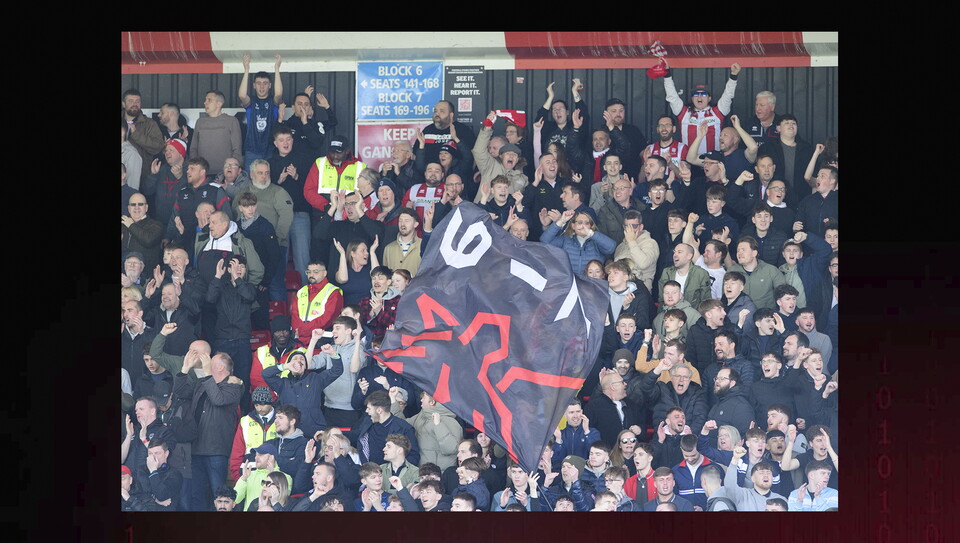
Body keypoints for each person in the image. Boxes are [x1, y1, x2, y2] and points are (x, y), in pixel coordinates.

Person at [172, 350, 243, 510]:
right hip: (195, 448)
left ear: (219, 367)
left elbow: (218, 399)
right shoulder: (202, 384)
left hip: (215, 450)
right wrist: (184, 369)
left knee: (218, 493)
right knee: (196, 494)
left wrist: (206, 374)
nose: (207, 363)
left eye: (211, 362)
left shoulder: (233, 387)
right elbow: (180, 393)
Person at [204, 255, 256, 408]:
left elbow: (248, 296)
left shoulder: (248, 286)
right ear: (227, 269)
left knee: (243, 380)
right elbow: (209, 299)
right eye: (234, 266)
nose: (238, 269)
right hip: (223, 339)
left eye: (241, 266)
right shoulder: (221, 286)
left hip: (242, 340)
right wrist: (218, 276)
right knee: (220, 378)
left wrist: (237, 279)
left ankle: (245, 415)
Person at [262, 346, 343, 439]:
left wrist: (333, 354)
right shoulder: (283, 383)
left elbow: (337, 371)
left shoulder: (315, 379)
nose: (298, 360)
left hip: (315, 431)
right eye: (294, 359)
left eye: (302, 359)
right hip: (290, 432)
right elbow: (266, 374)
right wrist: (285, 366)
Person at [662, 61, 742, 154]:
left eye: (703, 94)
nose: (699, 97)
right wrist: (666, 73)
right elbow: (672, 96)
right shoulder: (684, 113)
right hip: (689, 162)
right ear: (692, 98)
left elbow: (728, 95)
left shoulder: (717, 112)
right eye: (696, 94)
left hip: (712, 162)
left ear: (709, 98)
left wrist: (733, 76)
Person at [305, 317, 363, 428]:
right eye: (333, 329)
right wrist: (313, 340)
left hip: (349, 409)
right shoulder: (331, 348)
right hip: (328, 406)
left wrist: (357, 342)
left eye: (337, 328)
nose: (333, 332)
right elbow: (308, 365)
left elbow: (354, 369)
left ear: (348, 331)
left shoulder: (358, 348)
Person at [390, 389, 461, 471]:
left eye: (424, 397)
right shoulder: (421, 416)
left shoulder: (451, 422)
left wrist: (438, 425)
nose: (421, 400)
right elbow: (401, 424)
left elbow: (451, 449)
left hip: (439, 477)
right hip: (422, 474)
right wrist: (393, 400)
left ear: (432, 402)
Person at [349, 390, 420, 466]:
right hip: (369, 472)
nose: (367, 411)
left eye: (369, 408)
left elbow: (413, 457)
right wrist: (338, 434)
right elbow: (358, 434)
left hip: (392, 475)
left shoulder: (404, 428)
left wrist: (396, 471)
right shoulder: (368, 421)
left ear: (379, 410)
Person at [238, 54, 284, 170]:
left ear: (270, 86)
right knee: (250, 181)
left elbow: (279, 94)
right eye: (258, 83)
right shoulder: (251, 102)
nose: (262, 87)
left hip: (270, 149)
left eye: (265, 83)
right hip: (252, 150)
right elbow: (242, 95)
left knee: (269, 179)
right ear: (254, 85)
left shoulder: (273, 102)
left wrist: (277, 69)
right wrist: (246, 70)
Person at [303, 135, 368, 214]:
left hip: (350, 214)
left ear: (347, 151)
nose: (335, 156)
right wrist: (326, 206)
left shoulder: (360, 166)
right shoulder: (320, 163)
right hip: (323, 212)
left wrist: (350, 208)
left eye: (339, 152)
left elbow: (367, 193)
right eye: (332, 152)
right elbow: (309, 190)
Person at [540, 210, 616, 278]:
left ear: (591, 226)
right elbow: (545, 241)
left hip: (591, 284)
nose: (583, 226)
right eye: (579, 222)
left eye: (587, 223)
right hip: (570, 284)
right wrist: (561, 221)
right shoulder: (566, 239)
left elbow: (611, 247)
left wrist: (591, 233)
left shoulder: (596, 241)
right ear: (573, 226)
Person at [758, 114, 816, 201]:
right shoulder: (767, 148)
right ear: (778, 128)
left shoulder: (807, 149)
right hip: (775, 197)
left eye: (794, 123)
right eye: (787, 123)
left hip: (801, 197)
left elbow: (814, 174)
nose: (791, 125)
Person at [413, 100, 477, 174]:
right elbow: (416, 157)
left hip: (456, 177)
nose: (437, 114)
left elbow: (472, 156)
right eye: (435, 111)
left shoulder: (462, 130)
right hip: (432, 177)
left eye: (442, 111)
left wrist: (456, 138)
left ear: (451, 115)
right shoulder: (427, 130)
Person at [229, 387, 277, 483]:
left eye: (263, 404)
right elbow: (237, 450)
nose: (259, 408)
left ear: (270, 403)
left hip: (274, 474)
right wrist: (237, 477)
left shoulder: (281, 419)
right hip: (249, 474)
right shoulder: (245, 421)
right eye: (256, 405)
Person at [290, 260, 344, 346]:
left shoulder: (333, 291)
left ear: (325, 273)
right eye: (308, 272)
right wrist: (301, 330)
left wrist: (304, 330)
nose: (311, 275)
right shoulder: (301, 291)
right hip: (299, 338)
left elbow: (328, 318)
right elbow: (294, 314)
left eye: (315, 272)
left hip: (322, 338)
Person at [189, 90, 242, 177]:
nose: (205, 103)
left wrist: (231, 170)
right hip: (203, 173)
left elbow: (237, 149)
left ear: (219, 104)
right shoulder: (200, 122)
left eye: (209, 100)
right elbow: (193, 148)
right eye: (205, 100)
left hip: (223, 173)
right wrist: (195, 168)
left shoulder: (231, 121)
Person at [584, 371, 644, 447]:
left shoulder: (631, 405)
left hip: (630, 453)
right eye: (622, 382)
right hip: (606, 454)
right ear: (613, 386)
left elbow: (642, 425)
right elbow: (590, 432)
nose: (625, 384)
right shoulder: (593, 407)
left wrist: (640, 430)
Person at [122, 89, 166, 188]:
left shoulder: (149, 124)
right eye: (130, 101)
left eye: (137, 101)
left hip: (143, 177)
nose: (135, 104)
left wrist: (136, 135)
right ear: (123, 104)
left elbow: (158, 146)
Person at [232, 443, 293, 511]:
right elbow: (235, 499)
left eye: (260, 455)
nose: (256, 458)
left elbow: (283, 500)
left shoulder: (285, 477)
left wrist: (271, 476)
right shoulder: (249, 475)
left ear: (271, 457)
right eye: (256, 455)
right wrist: (243, 478)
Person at [534, 79, 587, 153]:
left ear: (567, 112)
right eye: (554, 110)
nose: (557, 112)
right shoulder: (548, 129)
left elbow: (583, 112)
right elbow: (539, 120)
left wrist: (574, 91)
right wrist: (550, 97)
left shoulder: (575, 126)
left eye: (560, 109)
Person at [721, 456, 787, 512]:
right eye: (761, 473)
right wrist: (735, 459)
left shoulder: (782, 500)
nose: (766, 475)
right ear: (753, 478)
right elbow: (729, 486)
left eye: (768, 473)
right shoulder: (742, 494)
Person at [671, 433, 714, 510]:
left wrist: (704, 509)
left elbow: (719, 496)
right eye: (686, 456)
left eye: (693, 455)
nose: (690, 459)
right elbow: (674, 498)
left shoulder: (714, 468)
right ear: (681, 449)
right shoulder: (675, 471)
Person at [265, 404, 307, 479]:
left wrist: (272, 459)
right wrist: (287, 461)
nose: (275, 421)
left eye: (280, 418)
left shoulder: (303, 443)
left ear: (292, 421)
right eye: (275, 418)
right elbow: (257, 459)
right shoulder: (270, 443)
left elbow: (297, 468)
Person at [795, 166, 838, 238]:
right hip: (810, 246)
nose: (817, 178)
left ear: (832, 181)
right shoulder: (807, 200)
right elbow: (799, 224)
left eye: (822, 176)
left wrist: (834, 223)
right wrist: (795, 228)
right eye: (817, 176)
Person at [381, 209, 423, 277]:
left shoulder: (423, 245)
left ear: (415, 224)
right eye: (400, 221)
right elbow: (386, 275)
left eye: (407, 221)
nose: (402, 224)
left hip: (416, 287)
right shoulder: (389, 248)